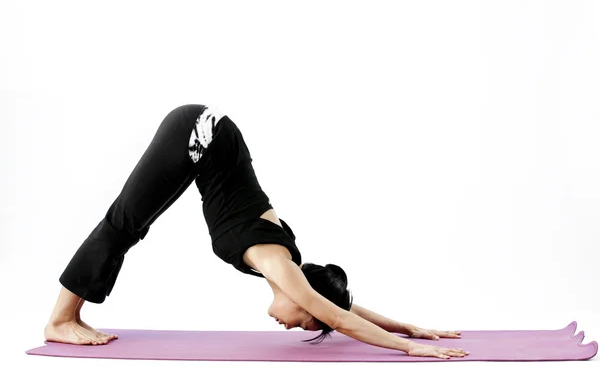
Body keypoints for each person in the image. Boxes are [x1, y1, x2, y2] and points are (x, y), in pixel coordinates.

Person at [43, 104, 469, 360]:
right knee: (124, 222)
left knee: (130, 226)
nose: (291, 327)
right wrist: (408, 349)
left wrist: (408, 326)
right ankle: (60, 321)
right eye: (304, 324)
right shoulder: (276, 263)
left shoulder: (289, 267)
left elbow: (342, 307)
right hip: (201, 135)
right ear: (307, 301)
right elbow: (337, 315)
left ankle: (72, 314)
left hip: (208, 143)